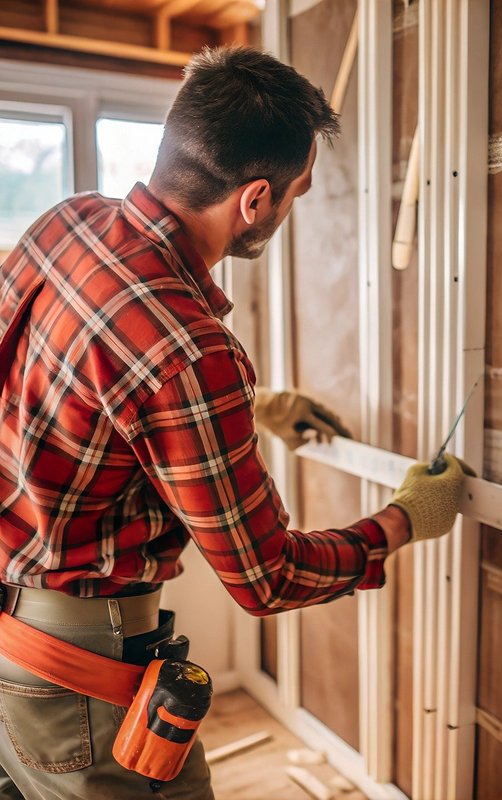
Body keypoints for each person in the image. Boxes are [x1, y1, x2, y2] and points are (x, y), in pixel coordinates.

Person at [0, 46, 470, 800]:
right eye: (297, 193)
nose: (292, 207)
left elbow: (59, 394)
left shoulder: (70, 223)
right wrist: (404, 520)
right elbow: (266, 576)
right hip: (80, 672)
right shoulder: (190, 352)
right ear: (256, 199)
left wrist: (243, 410)